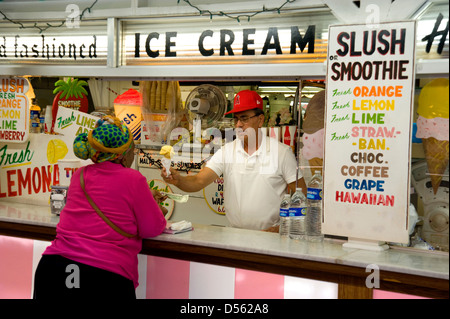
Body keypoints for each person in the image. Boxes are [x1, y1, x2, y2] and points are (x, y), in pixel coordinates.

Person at [34, 116, 167, 299]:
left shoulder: (79, 175)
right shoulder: (134, 179)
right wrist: (155, 206)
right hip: (104, 276)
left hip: (54, 269)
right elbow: (152, 228)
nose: (133, 155)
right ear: (121, 153)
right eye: (132, 150)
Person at [162, 90, 306, 232]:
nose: (238, 124)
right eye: (236, 119)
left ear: (260, 119)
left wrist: (282, 228)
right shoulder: (227, 151)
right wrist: (179, 180)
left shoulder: (281, 153)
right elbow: (198, 181)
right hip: (235, 234)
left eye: (244, 118)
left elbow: (302, 198)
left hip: (272, 237)